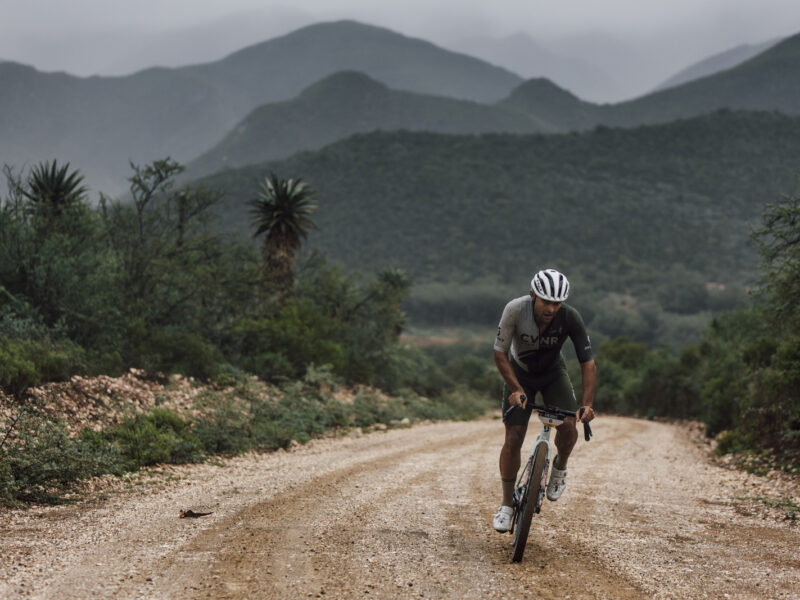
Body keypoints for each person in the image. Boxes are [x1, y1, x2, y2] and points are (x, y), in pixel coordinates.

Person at [491, 268, 596, 533]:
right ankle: (506, 505)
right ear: (533, 295)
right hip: (520, 374)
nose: (551, 308)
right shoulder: (515, 310)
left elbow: (588, 362)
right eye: (546, 301)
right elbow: (500, 353)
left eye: (557, 303)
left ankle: (560, 468)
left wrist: (587, 403)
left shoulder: (570, 317)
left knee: (569, 425)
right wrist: (515, 389)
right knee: (513, 436)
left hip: (552, 374)